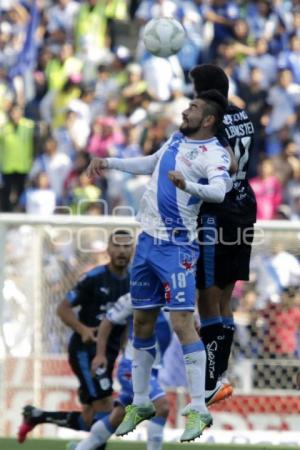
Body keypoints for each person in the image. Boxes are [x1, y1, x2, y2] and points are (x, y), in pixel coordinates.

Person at [86, 89, 232, 442]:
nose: (186, 110)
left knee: (182, 322)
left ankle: (198, 408)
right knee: (142, 321)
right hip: (147, 242)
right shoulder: (176, 138)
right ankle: (139, 401)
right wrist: (111, 162)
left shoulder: (214, 154)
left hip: (177, 247)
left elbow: (220, 191)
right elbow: (152, 162)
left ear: (208, 119)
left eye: (194, 107)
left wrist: (190, 185)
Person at [18, 230, 134, 449]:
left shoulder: (134, 281)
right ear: (108, 249)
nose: (122, 250)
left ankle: (37, 416)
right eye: (117, 246)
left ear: (133, 250)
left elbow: (128, 320)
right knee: (107, 410)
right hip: (85, 351)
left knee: (91, 419)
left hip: (107, 353)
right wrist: (82, 329)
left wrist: (125, 348)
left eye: (127, 246)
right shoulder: (94, 278)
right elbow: (63, 309)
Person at [189, 64, 257, 404]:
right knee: (225, 295)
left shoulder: (210, 122)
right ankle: (219, 373)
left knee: (207, 293)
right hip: (245, 204)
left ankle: (211, 377)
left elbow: (227, 163)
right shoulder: (243, 115)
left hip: (220, 210)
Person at [72, 292, 172, 450]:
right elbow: (107, 322)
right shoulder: (134, 296)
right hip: (132, 366)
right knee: (162, 407)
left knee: (117, 416)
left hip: (152, 369)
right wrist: (99, 355)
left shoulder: (177, 296)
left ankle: (82, 448)